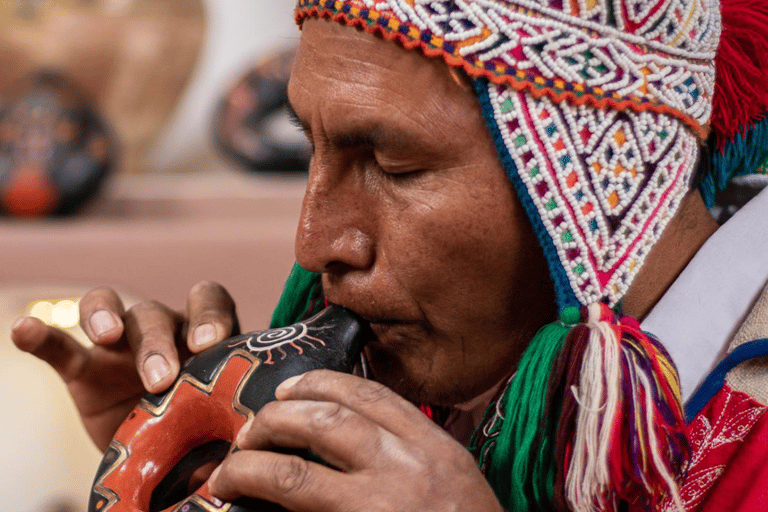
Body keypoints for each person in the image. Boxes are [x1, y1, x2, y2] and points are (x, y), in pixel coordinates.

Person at [10, 0, 768, 511]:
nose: (315, 243)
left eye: (393, 164)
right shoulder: (443, 390)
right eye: (311, 147)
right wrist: (174, 476)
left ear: (608, 180)